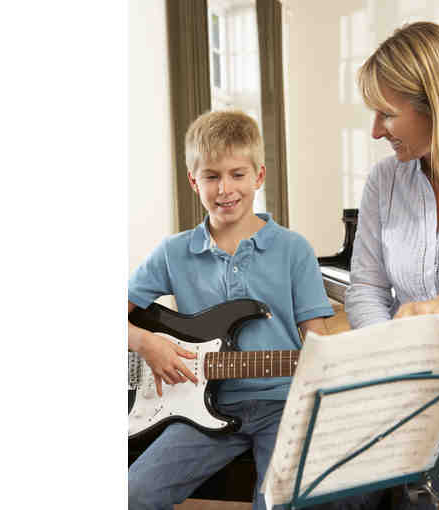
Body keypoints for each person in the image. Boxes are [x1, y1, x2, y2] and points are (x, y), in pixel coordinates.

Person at [127, 110, 334, 510]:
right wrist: (145, 342)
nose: (225, 189)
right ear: (193, 181)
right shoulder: (174, 252)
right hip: (200, 408)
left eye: (238, 174)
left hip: (284, 406)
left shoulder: (293, 249)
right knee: (133, 493)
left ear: (259, 176)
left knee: (278, 503)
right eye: (211, 176)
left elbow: (319, 339)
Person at [345, 21, 439, 509]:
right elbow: (365, 288)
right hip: (403, 384)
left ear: (435, 104)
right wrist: (389, 358)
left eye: (386, 114)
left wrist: (432, 310)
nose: (375, 131)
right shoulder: (384, 181)